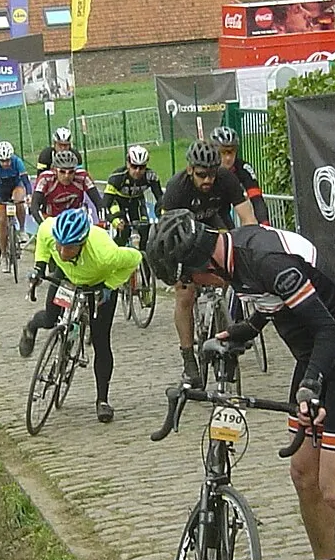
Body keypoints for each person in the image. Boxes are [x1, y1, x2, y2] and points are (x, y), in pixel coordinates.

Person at [145, 210, 335, 560]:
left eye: (188, 279)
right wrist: (245, 330)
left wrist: (312, 386)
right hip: (314, 356)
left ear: (203, 264)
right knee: (303, 473)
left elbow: (329, 329)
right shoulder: (232, 261)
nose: (189, 289)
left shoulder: (264, 260)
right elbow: (270, 304)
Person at [18, 205, 138, 423]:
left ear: (82, 244)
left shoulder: (105, 253)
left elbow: (134, 259)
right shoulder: (49, 229)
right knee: (50, 318)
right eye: (60, 246)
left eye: (70, 248)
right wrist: (39, 267)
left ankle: (102, 400)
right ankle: (32, 327)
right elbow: (44, 244)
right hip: (66, 277)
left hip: (98, 285)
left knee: (101, 341)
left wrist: (109, 286)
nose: (63, 253)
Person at [163, 137, 258, 383]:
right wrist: (178, 271)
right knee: (185, 294)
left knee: (229, 273)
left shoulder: (226, 178)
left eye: (212, 175)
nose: (208, 180)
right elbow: (168, 234)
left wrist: (253, 246)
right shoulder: (177, 188)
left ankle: (223, 328)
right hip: (183, 232)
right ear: (190, 170)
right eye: (202, 175)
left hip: (214, 225)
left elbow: (248, 218)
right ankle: (188, 357)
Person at [104, 144, 163, 247]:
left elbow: (160, 199)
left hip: (137, 201)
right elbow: (105, 203)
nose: (137, 171)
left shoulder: (151, 176)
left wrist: (162, 215)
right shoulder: (117, 177)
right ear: (128, 164)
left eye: (142, 167)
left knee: (144, 229)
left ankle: (144, 257)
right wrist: (114, 219)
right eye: (134, 166)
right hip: (117, 202)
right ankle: (118, 250)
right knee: (123, 230)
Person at [211, 124, 270, 224]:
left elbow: (257, 200)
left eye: (231, 152)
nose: (228, 158)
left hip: (224, 212)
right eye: (223, 152)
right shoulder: (208, 169)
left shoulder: (242, 168)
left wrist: (265, 226)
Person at [30, 146, 101, 221]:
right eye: (62, 172)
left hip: (76, 218)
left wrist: (103, 221)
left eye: (71, 172)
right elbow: (34, 207)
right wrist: (42, 223)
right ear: (55, 170)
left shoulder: (82, 177)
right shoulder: (45, 178)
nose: (67, 176)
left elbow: (98, 201)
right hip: (51, 219)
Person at [0, 141, 33, 259]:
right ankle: (3, 254)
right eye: (3, 161)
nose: (6, 163)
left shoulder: (17, 162)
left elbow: (26, 181)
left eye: (8, 160)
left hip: (16, 186)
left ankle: (22, 229)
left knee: (19, 200)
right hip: (1, 191)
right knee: (2, 221)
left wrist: (29, 195)